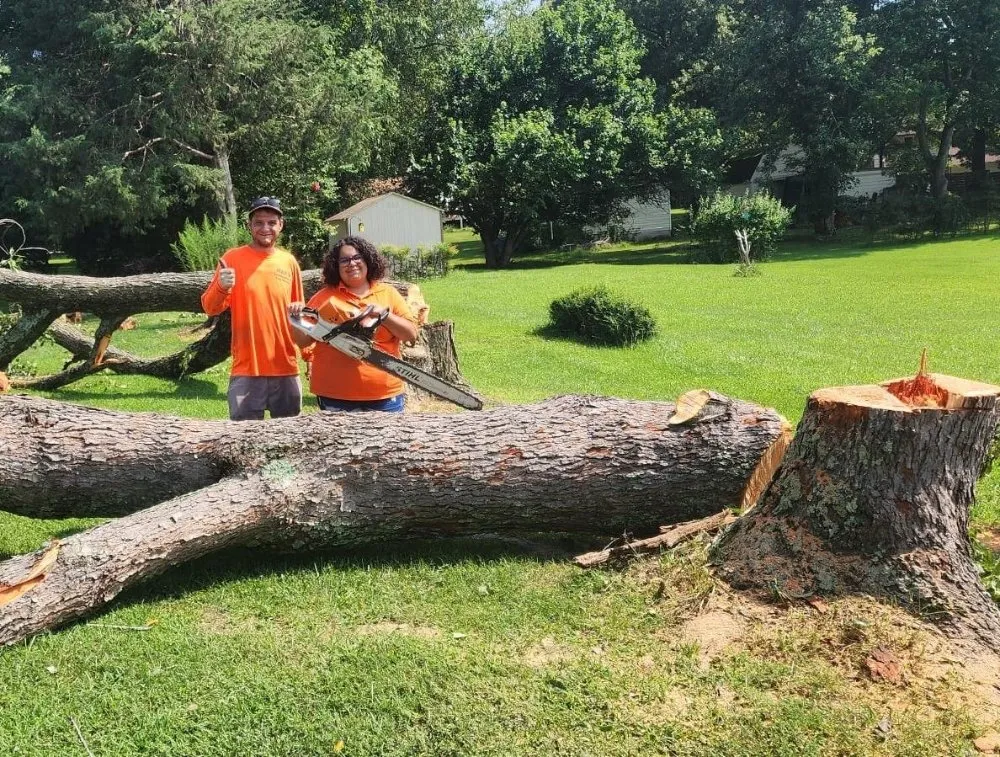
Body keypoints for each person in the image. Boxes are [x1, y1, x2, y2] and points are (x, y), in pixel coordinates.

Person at [201, 196, 306, 421]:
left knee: (289, 441)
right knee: (242, 444)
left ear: (281, 225)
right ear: (249, 226)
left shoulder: (289, 263)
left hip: (285, 368)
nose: (265, 228)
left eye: (271, 222)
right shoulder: (232, 259)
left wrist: (310, 356)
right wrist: (221, 285)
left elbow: (300, 315)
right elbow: (210, 308)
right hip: (247, 369)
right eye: (258, 222)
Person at [290, 236, 418, 412]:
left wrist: (384, 315)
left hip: (384, 393)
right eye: (345, 260)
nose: (352, 263)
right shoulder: (325, 297)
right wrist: (295, 320)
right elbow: (304, 342)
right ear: (336, 265)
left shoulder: (388, 293)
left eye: (357, 257)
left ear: (367, 260)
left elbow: (411, 334)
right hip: (335, 392)